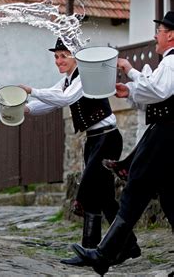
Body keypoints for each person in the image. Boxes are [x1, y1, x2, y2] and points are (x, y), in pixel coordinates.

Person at [18, 38, 140, 267]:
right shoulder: (66, 80)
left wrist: (31, 90)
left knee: (91, 188)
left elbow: (65, 99)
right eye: (56, 56)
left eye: (63, 55)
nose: (59, 60)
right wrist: (24, 108)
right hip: (94, 139)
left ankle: (90, 249)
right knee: (104, 197)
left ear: (75, 57)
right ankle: (128, 245)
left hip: (107, 137)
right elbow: (52, 102)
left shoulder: (84, 75)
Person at [72, 12, 174, 275]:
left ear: (171, 34)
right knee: (171, 199)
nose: (156, 35)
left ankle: (104, 254)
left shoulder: (173, 61)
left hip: (167, 134)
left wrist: (130, 72)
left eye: (160, 30)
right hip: (165, 133)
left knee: (137, 186)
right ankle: (107, 253)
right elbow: (155, 90)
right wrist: (129, 89)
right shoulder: (169, 62)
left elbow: (158, 91)